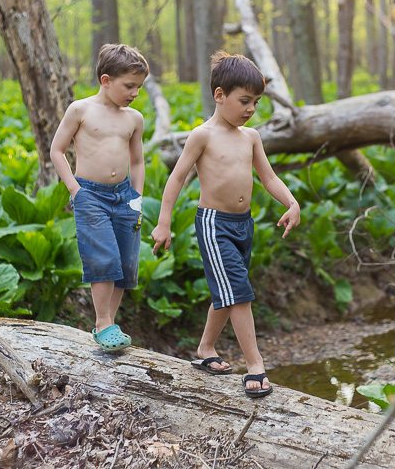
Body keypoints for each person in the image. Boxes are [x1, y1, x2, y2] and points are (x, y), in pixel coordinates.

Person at [151, 51, 300, 398]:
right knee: (239, 292)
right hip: (214, 225)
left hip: (243, 225)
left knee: (227, 293)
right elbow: (176, 179)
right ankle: (255, 365)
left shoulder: (251, 137)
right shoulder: (202, 136)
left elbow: (268, 177)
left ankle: (205, 350)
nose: (250, 109)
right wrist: (164, 223)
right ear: (220, 96)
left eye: (256, 102)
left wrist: (291, 202)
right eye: (244, 101)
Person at [50, 43, 149, 352]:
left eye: (139, 87)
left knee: (124, 261)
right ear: (106, 80)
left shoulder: (134, 118)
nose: (134, 92)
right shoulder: (80, 109)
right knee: (103, 257)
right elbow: (57, 150)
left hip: (124, 196)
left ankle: (109, 324)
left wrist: (137, 197)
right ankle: (102, 323)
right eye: (128, 86)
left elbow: (137, 161)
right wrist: (74, 190)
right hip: (90, 194)